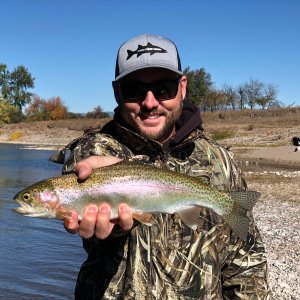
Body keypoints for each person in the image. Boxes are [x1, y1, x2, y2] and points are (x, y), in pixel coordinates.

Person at [51, 34, 269, 299]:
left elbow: (246, 260)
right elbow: (91, 223)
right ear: (117, 92)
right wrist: (113, 196)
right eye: (134, 90)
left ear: (183, 87)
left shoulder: (219, 160)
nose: (150, 102)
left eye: (164, 88)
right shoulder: (94, 152)